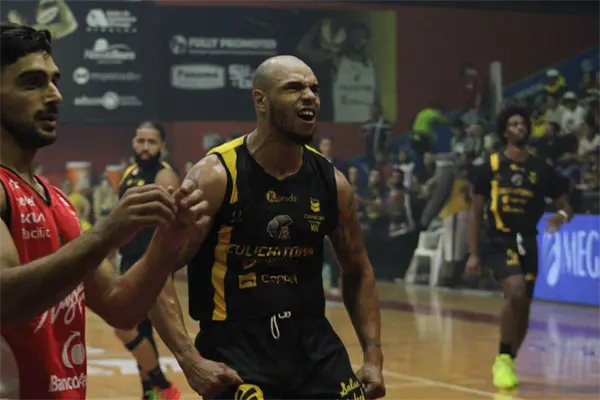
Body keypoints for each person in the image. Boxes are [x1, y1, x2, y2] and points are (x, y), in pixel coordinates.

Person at [148, 55, 386, 399]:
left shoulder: (331, 183)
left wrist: (374, 358)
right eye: (294, 88)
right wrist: (190, 360)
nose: (309, 96)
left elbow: (359, 270)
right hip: (237, 346)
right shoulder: (216, 177)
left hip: (313, 344)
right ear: (260, 100)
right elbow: (155, 270)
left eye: (314, 89)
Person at [0, 23, 206, 399]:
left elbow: (119, 305)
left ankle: (156, 384)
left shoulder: (56, 199)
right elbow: (5, 302)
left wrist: (168, 240)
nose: (55, 95)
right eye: (32, 83)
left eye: (54, 81)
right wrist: (106, 233)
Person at [466, 106, 574, 390]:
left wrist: (561, 216)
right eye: (514, 124)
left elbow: (566, 206)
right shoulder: (488, 167)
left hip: (527, 241)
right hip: (499, 240)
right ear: (504, 131)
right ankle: (502, 357)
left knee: (524, 306)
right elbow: (475, 214)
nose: (520, 127)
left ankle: (510, 359)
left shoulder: (541, 168)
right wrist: (474, 253)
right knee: (514, 290)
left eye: (523, 123)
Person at [114, 121, 182, 400]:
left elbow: (172, 226)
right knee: (141, 331)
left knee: (124, 326)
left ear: (162, 146)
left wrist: (161, 265)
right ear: (133, 142)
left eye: (151, 142)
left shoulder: (165, 177)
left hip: (148, 264)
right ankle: (151, 394)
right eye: (140, 141)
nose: (145, 147)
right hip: (127, 260)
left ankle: (162, 384)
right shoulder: (129, 173)